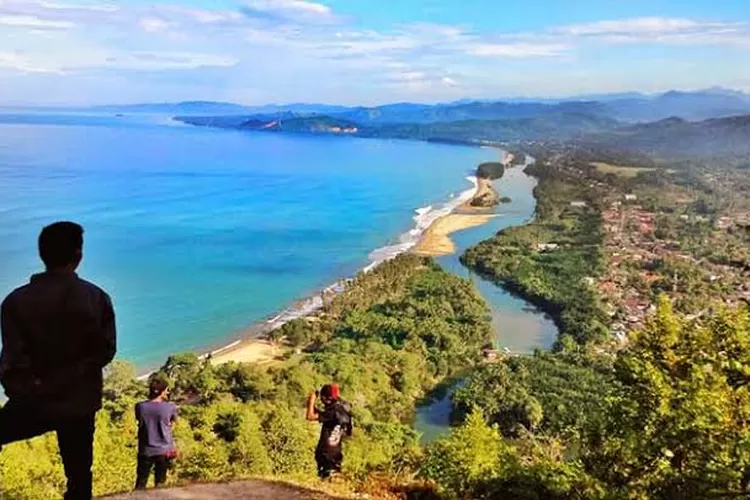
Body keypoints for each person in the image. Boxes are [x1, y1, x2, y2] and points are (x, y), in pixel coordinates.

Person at [0, 221, 117, 500]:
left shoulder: (15, 301)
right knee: (79, 477)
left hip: (33, 400)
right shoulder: (96, 298)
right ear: (78, 255)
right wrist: (72, 375)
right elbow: (105, 351)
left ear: (43, 254)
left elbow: (12, 359)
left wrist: (29, 387)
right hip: (79, 402)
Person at [135, 377, 178, 490]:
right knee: (160, 483)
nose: (167, 392)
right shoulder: (170, 407)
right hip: (163, 450)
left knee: (141, 483)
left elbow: (140, 421)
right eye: (167, 390)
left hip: (145, 449)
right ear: (163, 391)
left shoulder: (140, 406)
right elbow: (172, 424)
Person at [306, 383, 353, 479]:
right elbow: (349, 433)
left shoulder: (331, 412)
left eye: (322, 398)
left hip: (325, 453)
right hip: (336, 453)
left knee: (326, 477)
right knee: (333, 477)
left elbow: (310, 416)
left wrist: (311, 401)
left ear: (326, 398)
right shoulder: (342, 411)